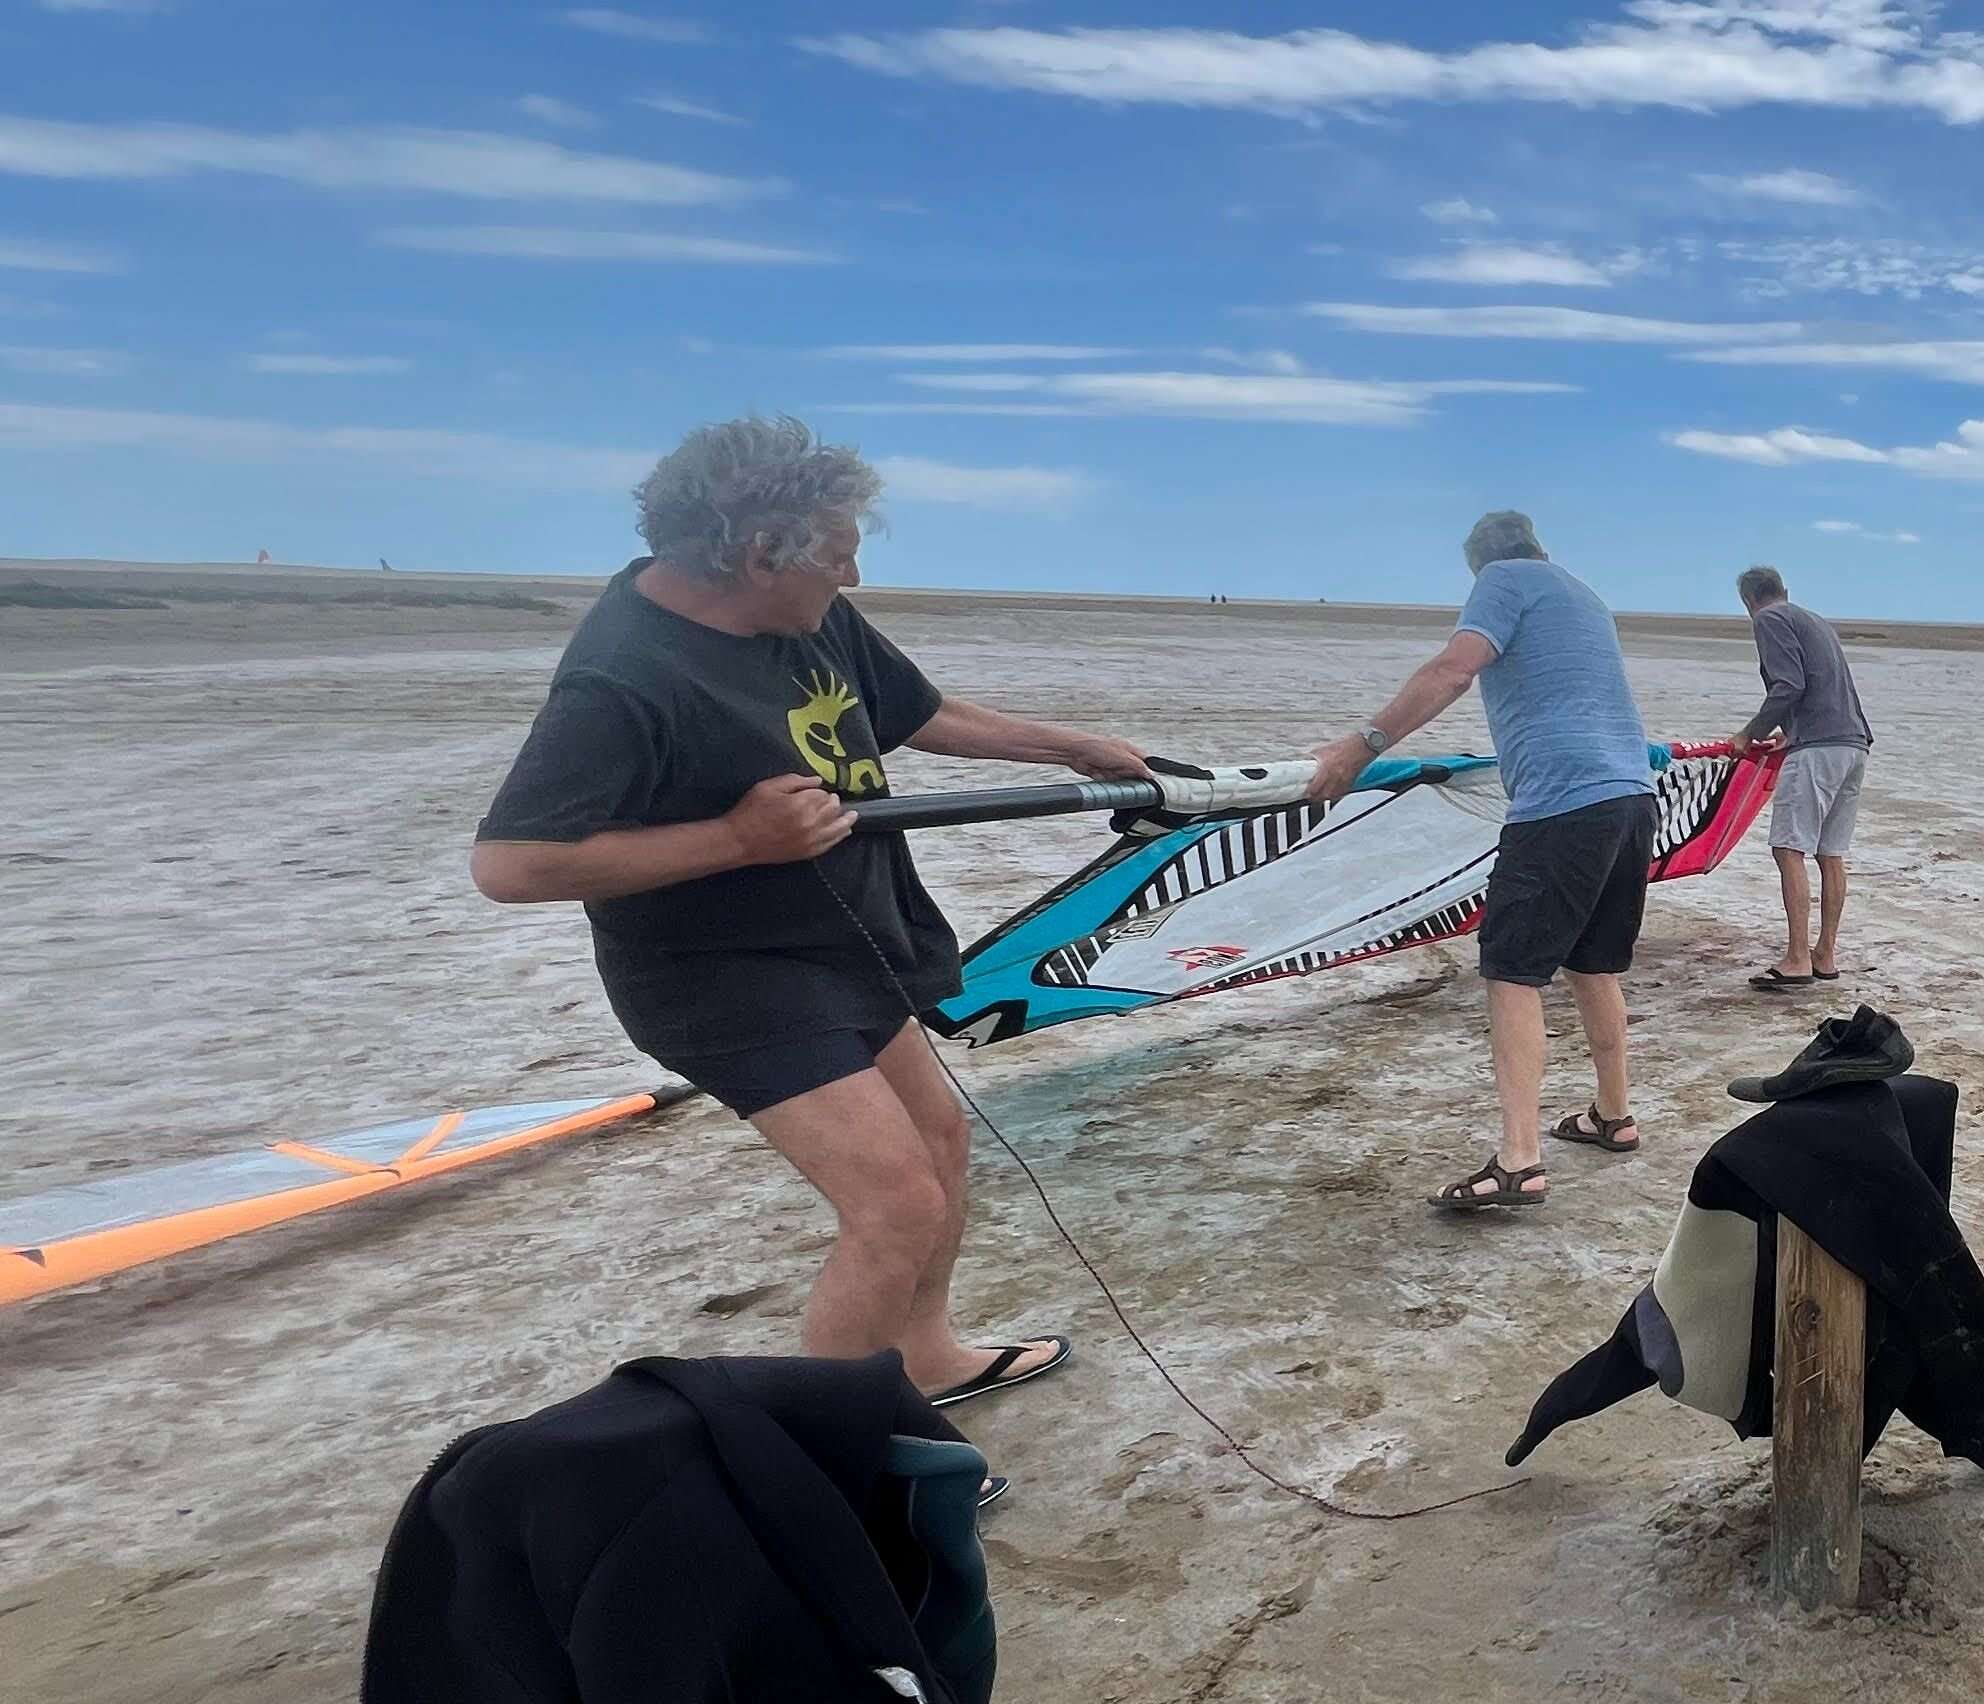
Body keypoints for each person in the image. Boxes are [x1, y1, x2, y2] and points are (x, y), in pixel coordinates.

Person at [472, 415, 1150, 1416]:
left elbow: (913, 712)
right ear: (756, 555)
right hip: (721, 976)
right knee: (895, 1203)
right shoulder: (622, 676)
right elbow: (511, 863)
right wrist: (736, 840)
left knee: (941, 1148)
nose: (855, 579)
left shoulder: (804, 614)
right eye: (840, 557)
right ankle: (829, 1462)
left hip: (842, 943)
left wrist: (1070, 748)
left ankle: (920, 1360)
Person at [1307, 511, 1655, 1215]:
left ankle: (1519, 1160)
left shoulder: (1503, 579)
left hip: (1562, 803)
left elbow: (1455, 669)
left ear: (1478, 564)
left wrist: (1360, 746)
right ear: (1543, 547)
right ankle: (1613, 1116)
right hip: (1630, 799)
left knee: (1510, 971)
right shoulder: (1581, 592)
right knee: (1593, 963)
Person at [1732, 562, 1873, 991]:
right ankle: (1824, 955)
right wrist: (1789, 733)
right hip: (1853, 745)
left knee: (1788, 848)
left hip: (1819, 749)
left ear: (1749, 601)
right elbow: (1817, 686)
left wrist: (1749, 733)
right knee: (1831, 853)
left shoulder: (1769, 619)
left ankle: (1797, 959)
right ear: (1784, 589)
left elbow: (1788, 684)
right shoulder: (1813, 619)